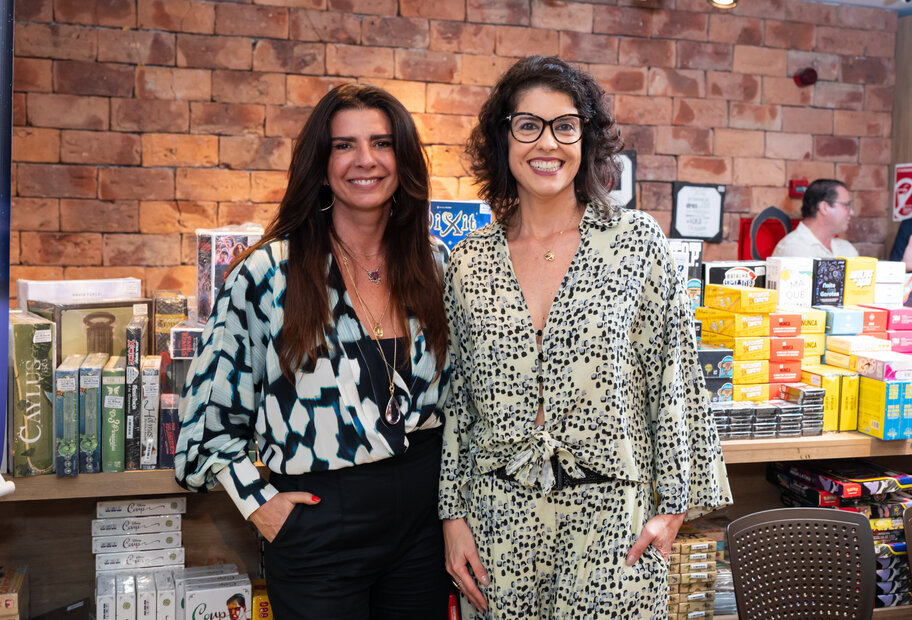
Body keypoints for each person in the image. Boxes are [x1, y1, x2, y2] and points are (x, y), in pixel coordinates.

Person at [440, 55, 732, 619]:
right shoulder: (469, 261)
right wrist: (454, 520)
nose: (546, 143)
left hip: (612, 523)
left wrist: (671, 509)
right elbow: (459, 402)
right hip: (498, 519)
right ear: (502, 139)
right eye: (528, 125)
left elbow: (673, 375)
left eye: (565, 125)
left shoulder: (636, 243)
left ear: (587, 139)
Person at [174, 83, 452, 620]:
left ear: (404, 161)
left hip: (423, 525)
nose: (365, 159)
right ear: (320, 166)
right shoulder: (266, 274)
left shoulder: (433, 266)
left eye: (382, 143)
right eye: (344, 145)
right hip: (320, 526)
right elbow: (207, 423)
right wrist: (262, 506)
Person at [770, 179, 859, 259]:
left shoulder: (846, 249)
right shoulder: (794, 250)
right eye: (846, 206)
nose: (851, 212)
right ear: (824, 207)